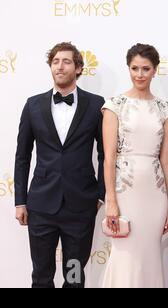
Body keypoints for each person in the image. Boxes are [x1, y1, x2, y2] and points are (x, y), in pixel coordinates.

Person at [14, 42, 105, 288]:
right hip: (41, 205)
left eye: (66, 61)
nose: (60, 66)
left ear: (78, 68)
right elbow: (22, 156)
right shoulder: (33, 105)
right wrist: (20, 200)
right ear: (50, 67)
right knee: (41, 275)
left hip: (80, 206)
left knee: (74, 276)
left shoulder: (96, 105)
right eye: (55, 61)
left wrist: (101, 195)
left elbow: (105, 154)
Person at [101, 44, 168, 288]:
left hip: (155, 194)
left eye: (146, 68)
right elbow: (109, 158)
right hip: (125, 193)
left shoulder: (165, 109)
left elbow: (166, 159)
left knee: (150, 255)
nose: (140, 74)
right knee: (125, 255)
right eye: (134, 68)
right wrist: (111, 200)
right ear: (128, 69)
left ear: (155, 70)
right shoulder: (115, 105)